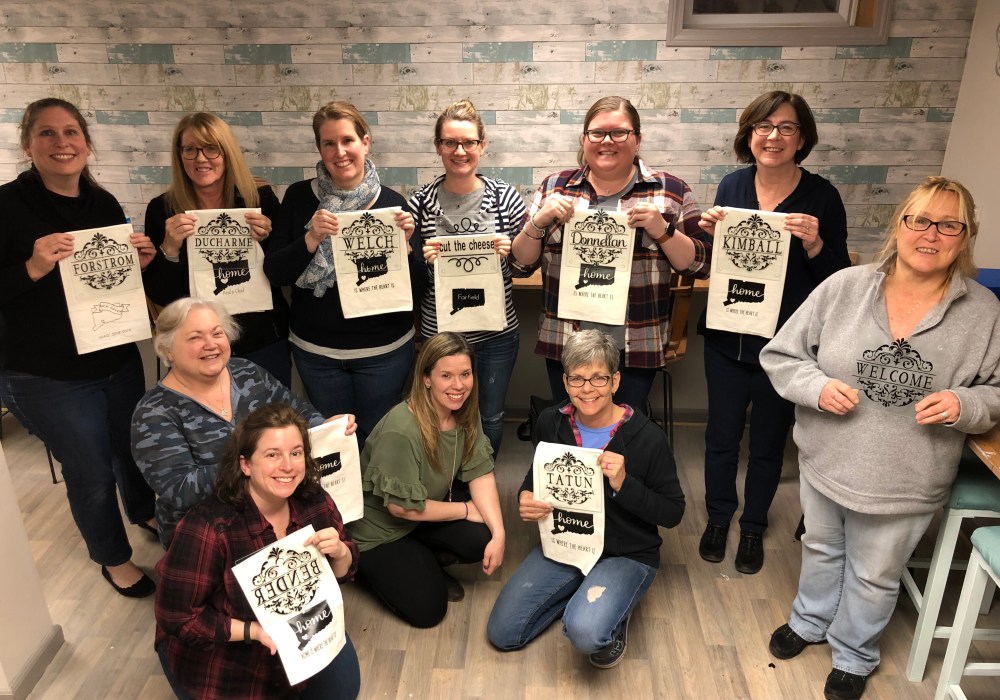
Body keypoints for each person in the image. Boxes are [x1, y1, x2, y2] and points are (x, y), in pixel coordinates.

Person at [759, 176, 1000, 700]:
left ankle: (854, 653)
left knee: (875, 574)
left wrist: (965, 404)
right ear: (900, 224)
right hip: (827, 459)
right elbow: (781, 355)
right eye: (920, 220)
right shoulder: (843, 287)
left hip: (907, 475)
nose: (931, 234)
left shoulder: (984, 311)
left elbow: (996, 390)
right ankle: (809, 620)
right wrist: (816, 387)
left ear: (965, 237)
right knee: (820, 547)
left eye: (949, 225)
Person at [0, 97, 158, 597]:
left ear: (87, 145)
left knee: (133, 449)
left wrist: (139, 264)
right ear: (28, 145)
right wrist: (31, 268)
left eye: (71, 132)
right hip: (46, 375)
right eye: (47, 133)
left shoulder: (103, 204)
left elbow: (105, 283)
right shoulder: (6, 207)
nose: (61, 143)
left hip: (114, 359)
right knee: (90, 470)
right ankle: (113, 558)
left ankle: (144, 512)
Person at [696, 91, 851, 575]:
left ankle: (754, 526)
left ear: (802, 138)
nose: (773, 137)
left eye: (786, 127)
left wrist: (816, 243)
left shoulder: (822, 196)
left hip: (785, 348)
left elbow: (838, 280)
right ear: (749, 135)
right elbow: (720, 262)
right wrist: (708, 231)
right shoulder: (732, 185)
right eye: (763, 126)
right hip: (727, 336)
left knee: (767, 444)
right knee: (720, 437)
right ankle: (718, 517)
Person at [487, 329, 685, 667]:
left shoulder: (649, 438)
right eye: (577, 379)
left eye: (598, 378)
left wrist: (624, 483)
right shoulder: (551, 422)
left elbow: (673, 512)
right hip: (567, 544)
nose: (587, 389)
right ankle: (586, 599)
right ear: (565, 382)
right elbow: (536, 476)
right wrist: (526, 496)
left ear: (615, 381)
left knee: (586, 635)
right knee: (503, 633)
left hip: (625, 554)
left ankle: (610, 613)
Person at [509, 95, 711, 412]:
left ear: (637, 139)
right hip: (567, 341)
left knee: (623, 431)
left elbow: (701, 265)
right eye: (597, 133)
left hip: (635, 343)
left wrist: (662, 229)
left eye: (619, 132)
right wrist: (538, 221)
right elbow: (519, 265)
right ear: (584, 139)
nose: (607, 141)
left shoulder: (670, 190)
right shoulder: (555, 187)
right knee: (572, 431)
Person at [155, 403, 361, 700]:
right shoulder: (208, 528)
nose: (288, 466)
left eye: (296, 453)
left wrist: (341, 552)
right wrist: (254, 631)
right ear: (245, 465)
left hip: (303, 627)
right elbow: (177, 618)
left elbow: (343, 572)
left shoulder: (315, 500)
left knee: (343, 692)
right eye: (272, 455)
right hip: (228, 657)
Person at [264, 101, 426, 443]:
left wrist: (408, 248)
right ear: (319, 148)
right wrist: (310, 238)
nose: (339, 152)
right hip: (317, 353)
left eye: (347, 140)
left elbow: (418, 287)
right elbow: (276, 272)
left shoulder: (394, 205)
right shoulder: (298, 198)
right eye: (329, 143)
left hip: (384, 352)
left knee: (379, 440)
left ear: (365, 143)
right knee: (333, 444)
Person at [131, 297, 353, 548]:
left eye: (217, 333)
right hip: (208, 534)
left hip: (274, 512)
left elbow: (296, 409)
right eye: (195, 337)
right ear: (168, 350)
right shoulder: (153, 413)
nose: (211, 344)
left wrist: (325, 427)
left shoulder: (247, 372)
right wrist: (256, 464)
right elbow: (180, 490)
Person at [348, 332, 505, 628]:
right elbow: (401, 508)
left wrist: (499, 534)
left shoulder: (463, 409)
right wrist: (465, 510)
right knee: (428, 611)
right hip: (379, 530)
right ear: (426, 378)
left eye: (465, 374)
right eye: (446, 375)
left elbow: (481, 472)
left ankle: (421, 558)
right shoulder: (401, 429)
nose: (458, 386)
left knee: (483, 535)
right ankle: (368, 570)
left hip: (421, 512)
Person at [142, 112, 292, 387]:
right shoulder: (163, 209)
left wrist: (268, 240)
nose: (201, 158)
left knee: (271, 413)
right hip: (197, 347)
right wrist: (169, 249)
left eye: (211, 148)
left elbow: (282, 273)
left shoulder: (259, 198)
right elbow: (161, 295)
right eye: (190, 149)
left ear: (227, 152)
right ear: (179, 155)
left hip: (262, 341)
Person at [414, 99, 525, 458]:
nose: (459, 151)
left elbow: (525, 265)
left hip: (496, 334)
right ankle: (447, 480)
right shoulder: (419, 203)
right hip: (441, 334)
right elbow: (412, 278)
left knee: (490, 415)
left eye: (468, 142)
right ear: (438, 147)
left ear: (482, 145)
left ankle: (483, 478)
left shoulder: (506, 198)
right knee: (442, 416)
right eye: (450, 142)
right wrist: (423, 260)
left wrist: (511, 253)